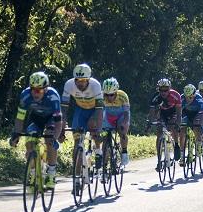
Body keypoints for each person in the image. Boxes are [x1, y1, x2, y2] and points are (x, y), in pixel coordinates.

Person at [9, 72, 62, 190]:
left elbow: (58, 122)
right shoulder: (25, 95)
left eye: (39, 90)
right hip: (36, 119)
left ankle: (51, 173)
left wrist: (55, 138)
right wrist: (16, 134)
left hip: (51, 119)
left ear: (46, 89)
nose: (35, 93)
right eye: (33, 89)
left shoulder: (53, 96)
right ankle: (33, 173)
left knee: (49, 139)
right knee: (29, 142)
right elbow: (20, 117)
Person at [61, 64, 103, 194]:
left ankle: (98, 152)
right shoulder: (69, 85)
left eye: (83, 81)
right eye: (78, 81)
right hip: (80, 111)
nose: (80, 83)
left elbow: (100, 109)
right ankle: (77, 179)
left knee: (96, 134)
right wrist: (62, 126)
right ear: (74, 79)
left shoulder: (95, 85)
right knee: (77, 143)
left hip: (95, 111)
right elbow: (64, 108)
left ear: (88, 80)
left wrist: (97, 127)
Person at [148, 78, 182, 171]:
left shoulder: (175, 95)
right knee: (159, 134)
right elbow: (151, 112)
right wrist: (150, 122)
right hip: (162, 113)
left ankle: (176, 145)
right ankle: (159, 160)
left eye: (166, 90)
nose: (163, 92)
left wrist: (178, 123)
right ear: (158, 89)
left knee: (172, 127)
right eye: (161, 90)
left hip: (173, 112)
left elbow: (179, 113)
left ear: (169, 89)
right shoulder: (155, 97)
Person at [101, 77, 131, 166]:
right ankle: (104, 163)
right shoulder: (101, 96)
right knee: (105, 138)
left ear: (116, 92)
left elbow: (126, 112)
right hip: (108, 115)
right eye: (106, 95)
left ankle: (124, 152)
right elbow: (98, 112)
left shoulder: (123, 95)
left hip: (121, 115)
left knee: (122, 132)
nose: (109, 97)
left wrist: (124, 123)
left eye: (112, 95)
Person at [180, 84, 203, 166]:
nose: (188, 99)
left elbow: (201, 113)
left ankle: (198, 144)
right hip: (186, 114)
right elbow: (178, 112)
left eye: (190, 97)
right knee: (182, 131)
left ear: (194, 95)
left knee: (196, 128)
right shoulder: (182, 98)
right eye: (186, 97)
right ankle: (182, 155)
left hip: (197, 114)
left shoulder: (199, 99)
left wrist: (198, 124)